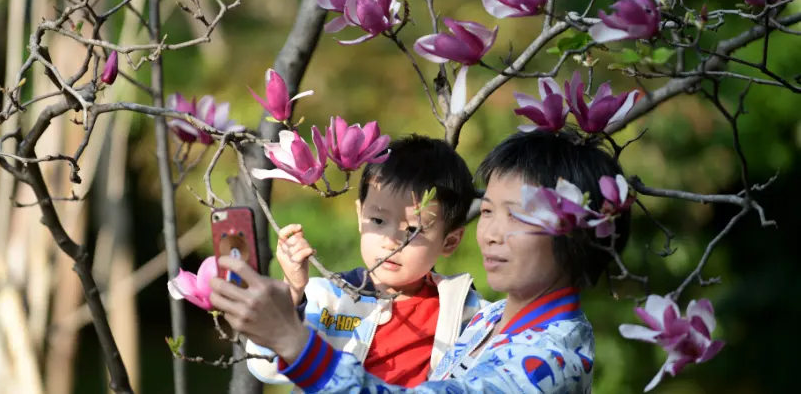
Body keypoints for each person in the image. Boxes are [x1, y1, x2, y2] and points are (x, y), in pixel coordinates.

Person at [212, 128, 631, 393]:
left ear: (579, 230)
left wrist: (294, 342)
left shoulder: (552, 358)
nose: (493, 233)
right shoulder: (493, 319)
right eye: (488, 211)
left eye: (519, 215)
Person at [246, 135, 485, 387]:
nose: (390, 241)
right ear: (361, 216)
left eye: (413, 230)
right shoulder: (326, 299)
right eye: (379, 221)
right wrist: (292, 293)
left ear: (449, 242)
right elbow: (265, 366)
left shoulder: (464, 310)